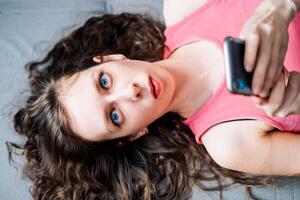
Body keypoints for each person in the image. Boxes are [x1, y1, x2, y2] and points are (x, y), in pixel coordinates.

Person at [7, 0, 300, 199]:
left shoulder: (185, 6)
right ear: (133, 134)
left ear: (110, 58)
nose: (130, 92)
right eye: (115, 116)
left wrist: (282, 6)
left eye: (105, 81)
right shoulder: (229, 143)